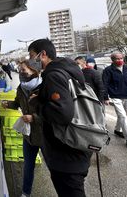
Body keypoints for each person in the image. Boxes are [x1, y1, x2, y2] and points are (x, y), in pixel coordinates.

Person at [28, 39, 92, 197]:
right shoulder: (68, 71)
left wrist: (37, 103)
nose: (31, 61)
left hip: (66, 154)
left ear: (43, 55)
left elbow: (62, 113)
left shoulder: (54, 75)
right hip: (77, 144)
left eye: (31, 56)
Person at [2, 60, 43, 197]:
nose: (21, 72)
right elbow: (17, 103)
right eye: (20, 70)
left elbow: (56, 112)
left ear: (34, 71)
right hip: (29, 135)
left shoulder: (45, 86)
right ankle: (26, 193)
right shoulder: (21, 87)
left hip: (44, 135)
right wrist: (9, 104)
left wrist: (34, 118)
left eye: (24, 70)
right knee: (28, 166)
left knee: (55, 169)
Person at [102, 52, 127, 150]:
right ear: (112, 60)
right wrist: (106, 97)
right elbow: (105, 84)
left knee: (124, 115)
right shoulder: (108, 70)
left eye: (121, 58)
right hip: (115, 96)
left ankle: (117, 130)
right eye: (117, 59)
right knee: (123, 116)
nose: (120, 60)